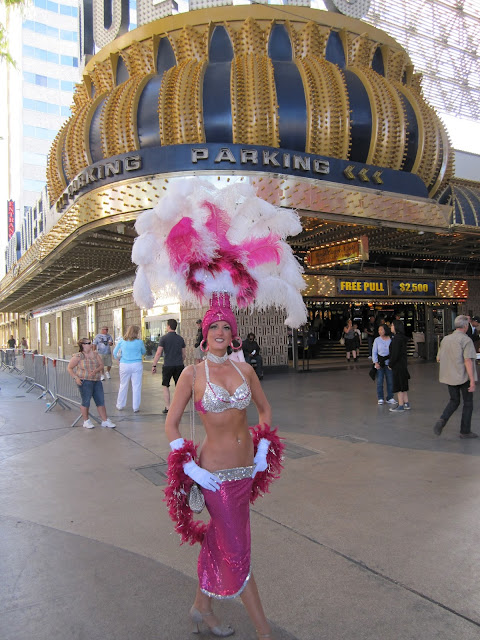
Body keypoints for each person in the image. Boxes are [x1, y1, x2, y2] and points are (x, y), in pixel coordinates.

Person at [165, 302, 283, 640]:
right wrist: (191, 469)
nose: (220, 331)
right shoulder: (192, 374)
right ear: (205, 334)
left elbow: (264, 410)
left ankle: (202, 607)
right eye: (214, 326)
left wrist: (262, 448)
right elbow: (171, 426)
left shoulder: (244, 371)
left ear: (234, 335)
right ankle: (265, 633)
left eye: (226, 327)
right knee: (237, 550)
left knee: (221, 537)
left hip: (246, 471)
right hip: (215, 476)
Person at [434, 315, 477, 438]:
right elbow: (467, 360)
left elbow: (438, 358)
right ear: (465, 326)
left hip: (450, 376)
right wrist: (472, 381)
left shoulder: (445, 339)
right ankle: (465, 431)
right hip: (464, 376)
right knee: (468, 403)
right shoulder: (466, 340)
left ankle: (442, 420)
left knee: (454, 400)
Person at [67, 338, 116, 429]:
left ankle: (105, 420)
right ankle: (86, 421)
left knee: (100, 400)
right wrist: (76, 377)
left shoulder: (95, 354)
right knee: (86, 401)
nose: (90, 344)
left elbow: (101, 365)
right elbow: (70, 368)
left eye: (90, 342)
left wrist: (96, 370)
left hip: (96, 380)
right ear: (83, 345)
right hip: (84, 380)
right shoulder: (78, 356)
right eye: (88, 343)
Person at [152, 319, 185, 414]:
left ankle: (168, 407)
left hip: (167, 365)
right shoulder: (180, 338)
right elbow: (184, 354)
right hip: (179, 365)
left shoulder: (163, 338)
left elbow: (158, 353)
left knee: (165, 385)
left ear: (169, 326)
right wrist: (180, 361)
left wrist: (154, 365)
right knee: (179, 386)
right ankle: (179, 407)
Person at [113, 325, 146, 413]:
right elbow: (144, 352)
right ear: (136, 332)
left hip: (124, 364)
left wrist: (118, 359)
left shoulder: (122, 341)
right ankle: (135, 407)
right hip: (136, 364)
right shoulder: (139, 342)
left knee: (123, 385)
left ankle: (120, 405)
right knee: (136, 385)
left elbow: (114, 352)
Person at [388, 319, 411, 412]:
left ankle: (401, 405)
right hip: (403, 364)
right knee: (403, 384)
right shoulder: (402, 338)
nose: (391, 327)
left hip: (397, 365)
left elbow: (395, 354)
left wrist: (391, 364)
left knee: (399, 385)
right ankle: (406, 403)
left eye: (392, 325)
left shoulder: (396, 339)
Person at [372, 325, 396, 405]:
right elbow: (374, 352)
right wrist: (375, 362)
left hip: (389, 363)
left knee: (390, 381)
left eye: (381, 330)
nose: (379, 331)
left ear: (385, 330)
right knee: (379, 381)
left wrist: (392, 362)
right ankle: (380, 398)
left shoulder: (391, 339)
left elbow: (393, 352)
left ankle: (390, 397)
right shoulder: (377, 340)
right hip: (380, 363)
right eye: (379, 330)